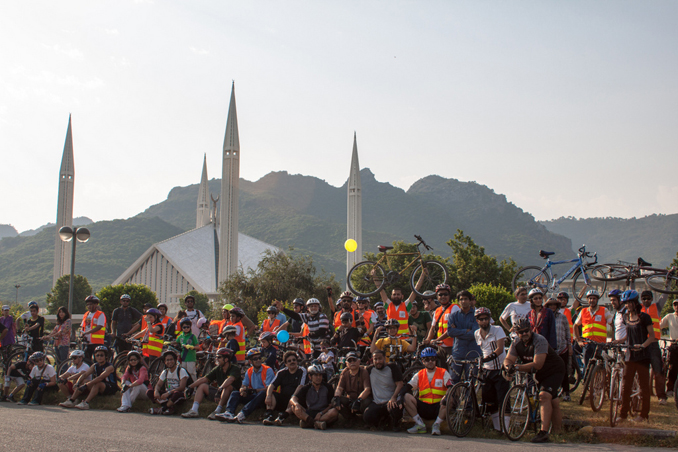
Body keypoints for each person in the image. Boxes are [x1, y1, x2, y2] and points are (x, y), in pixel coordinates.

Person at [503, 319, 565, 443]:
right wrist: (507, 366)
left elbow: (538, 364)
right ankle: (558, 431)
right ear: (517, 333)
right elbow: (508, 359)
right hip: (538, 373)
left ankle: (543, 432)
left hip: (554, 370)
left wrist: (516, 367)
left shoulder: (539, 340)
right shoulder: (516, 342)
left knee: (544, 396)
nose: (524, 334)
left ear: (531, 330)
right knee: (553, 400)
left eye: (527, 331)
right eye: (521, 332)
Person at [619, 290, 655, 423]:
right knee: (626, 386)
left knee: (644, 387)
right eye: (626, 303)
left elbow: (651, 337)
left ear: (635, 303)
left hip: (643, 357)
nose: (627, 305)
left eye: (629, 303)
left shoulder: (645, 317)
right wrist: (619, 341)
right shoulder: (625, 317)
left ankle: (644, 415)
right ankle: (623, 415)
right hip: (629, 356)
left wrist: (642, 346)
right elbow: (628, 336)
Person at [399, 347, 451, 435]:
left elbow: (451, 387)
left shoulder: (443, 372)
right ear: (422, 361)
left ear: (436, 360)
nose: (430, 361)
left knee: (450, 397)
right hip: (424, 407)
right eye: (427, 359)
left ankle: (437, 425)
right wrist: (400, 397)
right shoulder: (419, 374)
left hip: (439, 406)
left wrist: (446, 397)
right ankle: (419, 424)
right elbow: (407, 387)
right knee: (406, 396)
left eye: (432, 359)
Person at [473, 307, 509, 431]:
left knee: (503, 398)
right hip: (487, 370)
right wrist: (482, 362)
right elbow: (482, 350)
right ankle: (497, 428)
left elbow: (500, 348)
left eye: (486, 319)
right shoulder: (477, 333)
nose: (484, 321)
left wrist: (488, 358)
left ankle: (506, 428)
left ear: (490, 319)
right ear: (477, 320)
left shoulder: (497, 330)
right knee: (489, 400)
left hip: (500, 368)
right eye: (481, 319)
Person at [182, 347, 241, 419]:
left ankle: (217, 411)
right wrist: (190, 387)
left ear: (226, 359)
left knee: (227, 386)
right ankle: (194, 410)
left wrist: (220, 389)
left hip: (231, 395)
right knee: (202, 385)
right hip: (220, 393)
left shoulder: (235, 368)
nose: (217, 359)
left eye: (219, 357)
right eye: (216, 357)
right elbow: (204, 379)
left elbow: (230, 379)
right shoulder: (218, 369)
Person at [219, 348, 275, 423]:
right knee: (235, 393)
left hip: (265, 399)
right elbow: (244, 385)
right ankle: (229, 413)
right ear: (250, 361)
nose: (258, 360)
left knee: (262, 393)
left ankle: (243, 414)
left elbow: (269, 388)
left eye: (259, 358)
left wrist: (254, 390)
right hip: (254, 396)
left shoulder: (268, 370)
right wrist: (243, 390)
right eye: (255, 359)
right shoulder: (249, 371)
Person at [62, 345, 118, 410]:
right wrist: (78, 383)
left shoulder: (109, 367)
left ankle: (86, 403)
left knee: (97, 383)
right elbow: (85, 374)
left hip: (110, 387)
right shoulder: (95, 365)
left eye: (101, 355)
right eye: (97, 355)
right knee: (84, 381)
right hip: (99, 385)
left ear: (106, 356)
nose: (99, 357)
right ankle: (72, 400)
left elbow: (100, 378)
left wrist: (86, 385)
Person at [262, 350, 308, 426]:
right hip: (283, 398)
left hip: (296, 398)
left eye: (294, 360)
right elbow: (271, 385)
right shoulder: (281, 372)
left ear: (297, 361)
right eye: (289, 361)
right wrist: (268, 396)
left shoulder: (302, 371)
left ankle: (282, 418)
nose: (292, 362)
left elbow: (301, 386)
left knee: (295, 400)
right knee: (272, 394)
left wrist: (293, 397)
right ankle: (269, 416)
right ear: (286, 364)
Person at [363, 349, 404, 431]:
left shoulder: (392, 367)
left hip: (389, 401)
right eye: (375, 359)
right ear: (372, 360)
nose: (378, 361)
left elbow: (400, 384)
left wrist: (394, 397)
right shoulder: (369, 370)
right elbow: (358, 368)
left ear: (385, 358)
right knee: (367, 416)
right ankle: (380, 422)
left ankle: (395, 424)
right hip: (377, 402)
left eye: (380, 358)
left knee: (395, 409)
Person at [447, 290, 482, 384]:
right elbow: (450, 332)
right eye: (461, 299)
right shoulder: (453, 316)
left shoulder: (477, 315)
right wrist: (465, 331)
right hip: (458, 353)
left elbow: (474, 334)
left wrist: (458, 332)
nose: (463, 301)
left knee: (470, 382)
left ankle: (468, 399)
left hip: (473, 353)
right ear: (458, 301)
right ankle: (453, 399)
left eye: (466, 299)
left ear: (470, 300)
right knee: (453, 381)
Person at [290, 363, 339, 430]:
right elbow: (293, 398)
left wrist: (321, 413)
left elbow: (330, 405)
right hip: (309, 412)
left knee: (334, 412)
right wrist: (296, 404)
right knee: (293, 407)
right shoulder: (306, 388)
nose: (318, 378)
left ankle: (308, 423)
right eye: (316, 375)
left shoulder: (328, 387)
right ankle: (316, 423)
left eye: (320, 375)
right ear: (310, 377)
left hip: (323, 413)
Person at [640, 290, 668, 404]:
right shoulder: (638, 308)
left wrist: (668, 281)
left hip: (654, 344)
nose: (646, 300)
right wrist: (632, 280)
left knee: (658, 370)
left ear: (652, 299)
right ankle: (641, 394)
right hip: (642, 344)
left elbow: (665, 295)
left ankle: (661, 396)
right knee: (641, 371)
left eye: (648, 298)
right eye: (644, 298)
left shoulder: (657, 307)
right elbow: (632, 292)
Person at [573, 289, 612, 370]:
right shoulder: (583, 311)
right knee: (587, 367)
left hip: (601, 344)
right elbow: (575, 325)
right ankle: (586, 380)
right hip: (587, 343)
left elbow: (612, 324)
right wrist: (579, 340)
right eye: (590, 298)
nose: (592, 300)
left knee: (603, 366)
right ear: (587, 300)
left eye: (594, 298)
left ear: (597, 299)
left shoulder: (604, 310)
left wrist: (612, 339)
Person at [332, 351, 372, 425]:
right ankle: (351, 419)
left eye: (354, 360)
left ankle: (363, 419)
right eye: (349, 361)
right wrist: (336, 397)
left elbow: (367, 389)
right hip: (350, 400)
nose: (352, 362)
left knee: (367, 402)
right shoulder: (344, 373)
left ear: (359, 361)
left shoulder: (364, 372)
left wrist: (358, 400)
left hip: (361, 400)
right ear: (346, 363)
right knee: (335, 401)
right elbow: (339, 388)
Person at [545, 297, 572, 401]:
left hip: (562, 348)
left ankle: (566, 392)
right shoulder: (545, 317)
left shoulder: (562, 317)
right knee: (550, 372)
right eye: (550, 305)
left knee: (564, 370)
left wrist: (569, 346)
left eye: (554, 305)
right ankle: (553, 391)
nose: (552, 307)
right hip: (550, 349)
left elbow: (567, 332)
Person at [148, 350, 189, 415]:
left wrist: (169, 393)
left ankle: (163, 408)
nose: (169, 362)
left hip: (178, 394)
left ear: (175, 360)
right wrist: (156, 391)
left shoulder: (181, 370)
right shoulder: (165, 372)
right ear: (165, 362)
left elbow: (182, 387)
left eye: (171, 359)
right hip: (167, 395)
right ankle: (169, 407)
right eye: (167, 360)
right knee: (149, 392)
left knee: (176, 394)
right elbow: (158, 384)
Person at [425, 284, 459, 355]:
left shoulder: (454, 308)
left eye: (445, 294)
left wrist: (437, 340)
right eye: (440, 295)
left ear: (449, 296)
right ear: (437, 297)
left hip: (453, 346)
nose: (443, 296)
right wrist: (427, 339)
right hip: (440, 346)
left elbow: (451, 329)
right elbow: (433, 328)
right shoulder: (437, 310)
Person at [660, 299, 678, 397]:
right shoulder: (670, 316)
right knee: (673, 368)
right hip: (674, 345)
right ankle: (670, 389)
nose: (677, 306)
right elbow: (660, 326)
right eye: (675, 305)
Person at [80, 295, 107, 361]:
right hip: (87, 342)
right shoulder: (86, 314)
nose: (89, 306)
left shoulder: (100, 314)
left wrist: (88, 332)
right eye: (88, 305)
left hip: (97, 342)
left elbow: (99, 326)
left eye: (91, 304)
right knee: (86, 360)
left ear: (96, 305)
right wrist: (81, 334)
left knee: (97, 361)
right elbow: (83, 326)